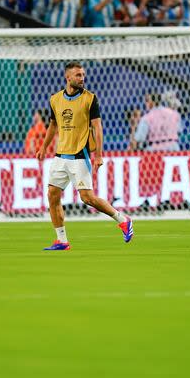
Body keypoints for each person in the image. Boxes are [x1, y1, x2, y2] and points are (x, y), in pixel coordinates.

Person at [35, 61, 133, 251]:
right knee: (52, 195)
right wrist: (44, 146)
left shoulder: (90, 99)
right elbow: (53, 125)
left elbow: (97, 127)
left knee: (87, 198)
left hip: (80, 156)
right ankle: (62, 240)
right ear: (68, 77)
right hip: (60, 156)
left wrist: (98, 155)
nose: (82, 78)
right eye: (78, 75)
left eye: (83, 75)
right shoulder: (55, 100)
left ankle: (123, 219)